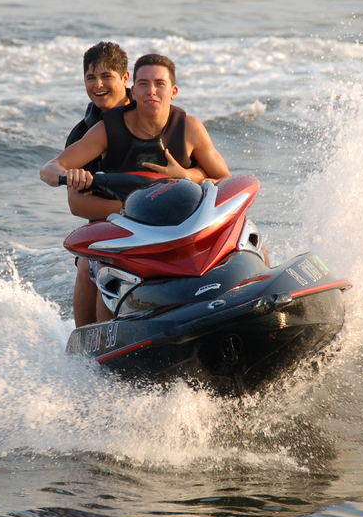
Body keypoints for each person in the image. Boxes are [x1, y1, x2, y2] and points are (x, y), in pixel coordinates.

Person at [41, 53, 232, 324]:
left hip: (181, 224)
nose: (151, 91)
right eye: (145, 84)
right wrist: (69, 177)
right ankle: (89, 347)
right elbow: (54, 174)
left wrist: (189, 175)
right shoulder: (100, 131)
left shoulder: (189, 127)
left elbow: (225, 179)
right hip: (122, 227)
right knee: (91, 266)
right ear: (136, 88)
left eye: (159, 84)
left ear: (173, 91)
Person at [61, 42, 133, 326]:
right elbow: (76, 203)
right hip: (107, 227)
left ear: (125, 78)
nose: (98, 85)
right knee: (87, 268)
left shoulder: (153, 118)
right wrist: (132, 209)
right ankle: (87, 350)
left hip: (164, 220)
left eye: (106, 76)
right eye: (90, 78)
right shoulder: (81, 135)